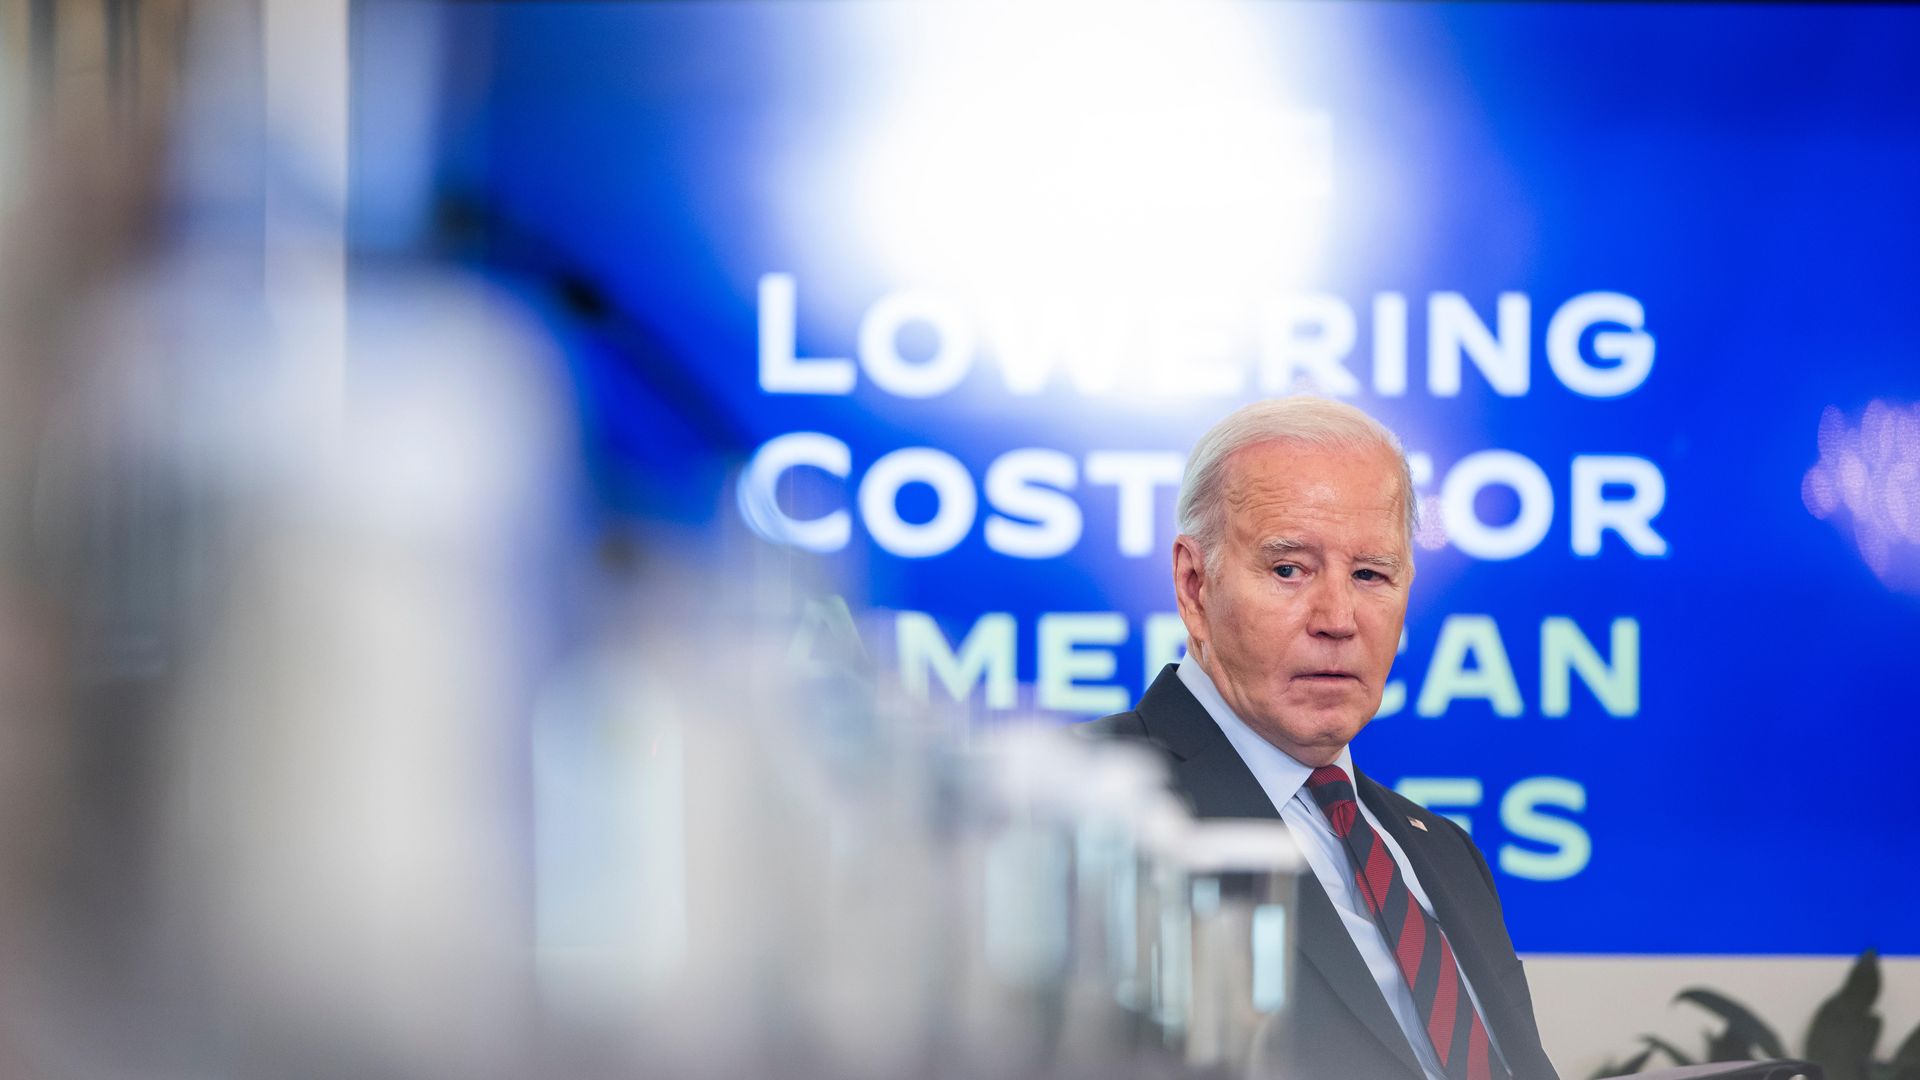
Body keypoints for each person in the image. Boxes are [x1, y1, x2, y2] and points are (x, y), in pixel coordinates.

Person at [1082, 397, 1560, 1080]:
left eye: (1370, 574)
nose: (1337, 618)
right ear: (1194, 585)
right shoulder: (1084, 808)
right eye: (1289, 569)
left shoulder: (1447, 853)